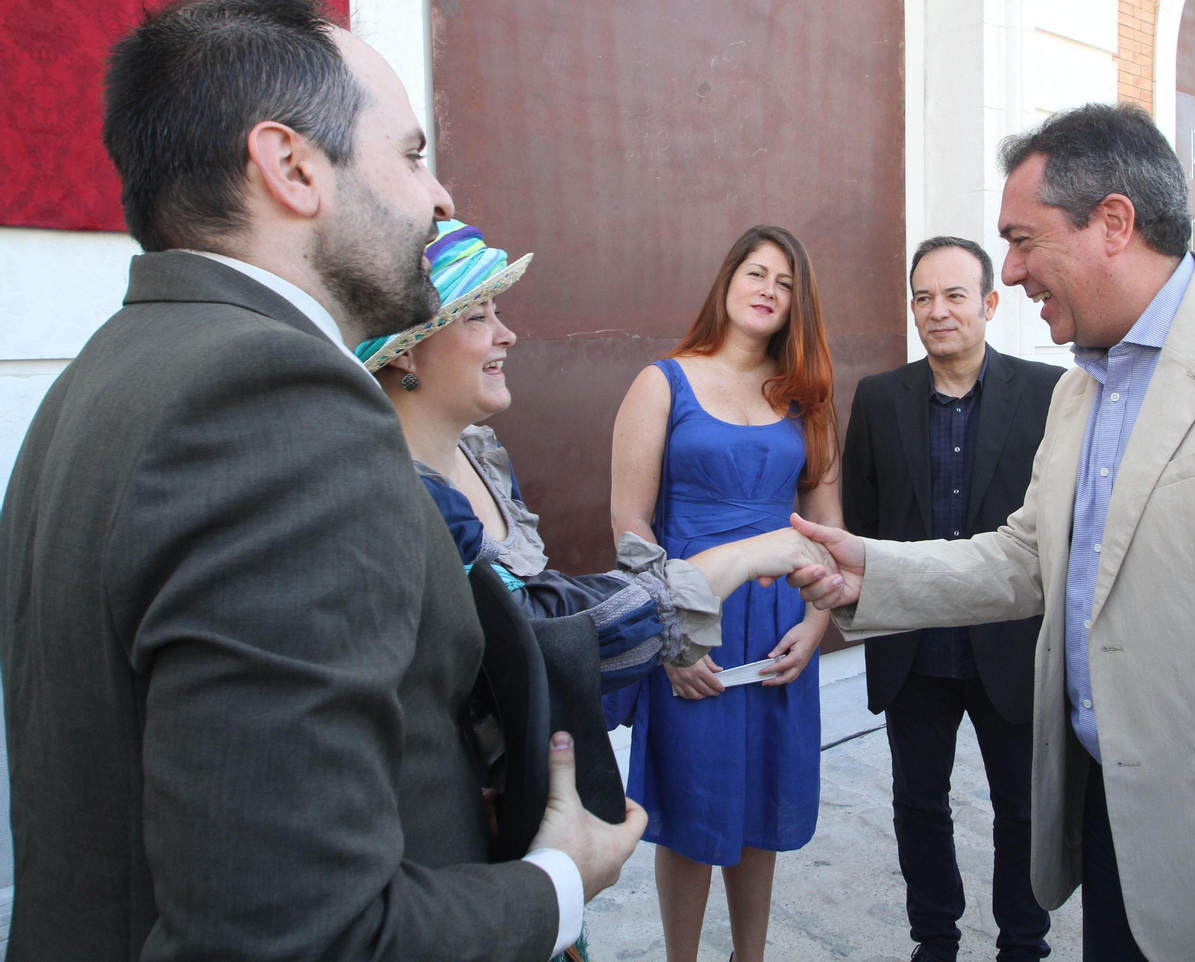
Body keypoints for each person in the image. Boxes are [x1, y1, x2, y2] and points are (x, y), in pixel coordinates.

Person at [0, 0, 653, 960]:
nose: (440, 199)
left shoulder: (98, 376)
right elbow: (297, 931)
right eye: (412, 156)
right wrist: (557, 882)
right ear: (292, 168)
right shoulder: (279, 403)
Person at [792, 103, 1195, 962]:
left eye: (1023, 240)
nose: (1011, 271)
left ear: (1114, 223)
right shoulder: (1082, 388)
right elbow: (1031, 556)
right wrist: (871, 572)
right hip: (1114, 828)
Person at [360, 218, 821, 694]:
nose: (508, 334)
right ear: (405, 351)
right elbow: (528, 638)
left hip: (765, 609)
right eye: (477, 316)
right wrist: (680, 610)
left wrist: (813, 617)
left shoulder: (483, 462)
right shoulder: (385, 499)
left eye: (785, 283)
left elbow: (536, 627)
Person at [611, 225, 842, 962]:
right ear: (728, 280)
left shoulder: (807, 398)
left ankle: (751, 956)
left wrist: (815, 626)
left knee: (762, 803)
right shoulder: (661, 382)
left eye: (785, 283)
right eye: (756, 273)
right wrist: (670, 640)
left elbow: (829, 531)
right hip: (690, 617)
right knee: (688, 808)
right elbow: (630, 525)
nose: (769, 290)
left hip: (778, 625)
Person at [842, 236, 1062, 962]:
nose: (938, 311)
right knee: (919, 805)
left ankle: (1023, 944)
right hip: (916, 648)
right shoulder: (880, 399)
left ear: (990, 304)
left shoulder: (1049, 393)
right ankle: (934, 940)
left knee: (1020, 809)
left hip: (1012, 643)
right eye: (923, 297)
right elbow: (863, 519)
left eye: (955, 295)